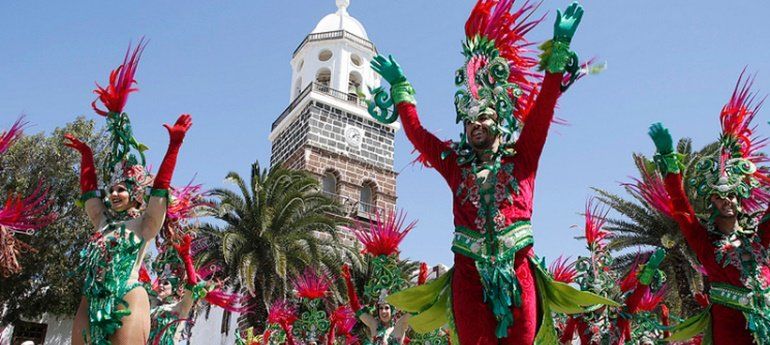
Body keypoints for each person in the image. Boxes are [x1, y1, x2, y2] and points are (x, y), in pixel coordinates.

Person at [367, 1, 616, 343]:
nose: (474, 126)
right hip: (468, 280)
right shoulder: (456, 165)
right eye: (468, 121)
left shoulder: (523, 159)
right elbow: (419, 136)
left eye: (482, 118)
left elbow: (543, 108)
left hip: (519, 275)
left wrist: (559, 47)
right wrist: (401, 90)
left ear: (500, 120)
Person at [67, 41, 193, 345]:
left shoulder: (144, 225)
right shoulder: (103, 223)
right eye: (112, 189)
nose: (114, 194)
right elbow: (89, 193)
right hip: (92, 299)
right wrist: (86, 155)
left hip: (128, 296)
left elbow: (159, 193)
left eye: (121, 189)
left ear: (136, 195)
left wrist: (173, 147)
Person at [649, 72, 770, 344]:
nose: (726, 201)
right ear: (712, 202)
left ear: (740, 199)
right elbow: (682, 209)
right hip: (729, 329)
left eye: (731, 196)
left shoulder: (759, 239)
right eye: (718, 197)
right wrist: (670, 165)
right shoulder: (705, 244)